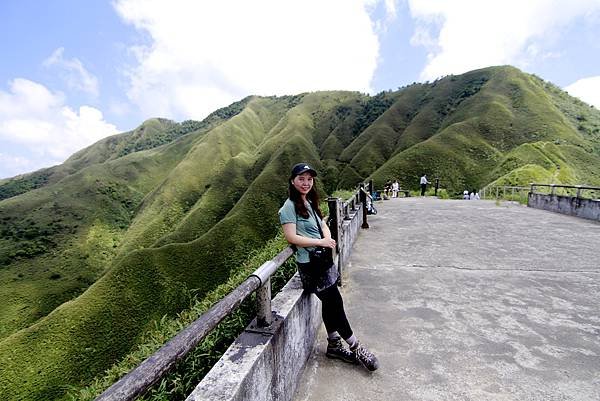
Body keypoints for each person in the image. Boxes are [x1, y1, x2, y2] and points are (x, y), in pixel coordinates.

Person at [279, 162, 379, 371]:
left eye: (309, 179)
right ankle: (356, 347)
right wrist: (320, 242)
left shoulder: (308, 201)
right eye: (301, 179)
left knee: (331, 301)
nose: (306, 183)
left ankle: (334, 345)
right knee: (334, 303)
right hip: (310, 266)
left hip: (322, 261)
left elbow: (322, 223)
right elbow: (291, 237)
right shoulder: (288, 207)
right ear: (292, 181)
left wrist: (326, 237)